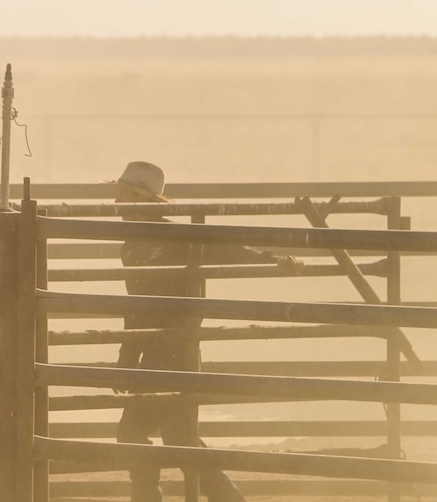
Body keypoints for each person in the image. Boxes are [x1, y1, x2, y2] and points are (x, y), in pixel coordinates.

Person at [111, 161, 303, 502]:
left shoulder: (176, 238)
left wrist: (268, 259)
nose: (116, 203)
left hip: (176, 349)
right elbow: (134, 308)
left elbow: (226, 250)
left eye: (124, 195)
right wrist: (127, 358)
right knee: (177, 438)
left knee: (147, 434)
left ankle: (155, 496)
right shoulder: (129, 246)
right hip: (159, 350)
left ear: (143, 201)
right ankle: (221, 496)